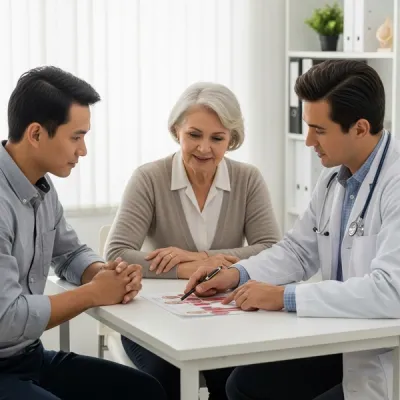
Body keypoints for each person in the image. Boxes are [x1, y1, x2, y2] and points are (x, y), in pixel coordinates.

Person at [185, 59, 400, 400]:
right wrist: (236, 273)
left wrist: (285, 297)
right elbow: (299, 251)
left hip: (386, 354)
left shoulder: (395, 182)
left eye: (320, 130)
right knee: (245, 385)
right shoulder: (334, 175)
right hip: (345, 333)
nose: (308, 141)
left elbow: (391, 292)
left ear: (360, 128)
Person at [105, 82, 281, 400]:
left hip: (226, 317)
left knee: (240, 380)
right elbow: (117, 253)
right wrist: (191, 268)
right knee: (165, 378)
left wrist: (203, 258)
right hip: (154, 318)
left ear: (232, 139)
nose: (204, 148)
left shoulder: (248, 179)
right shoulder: (149, 178)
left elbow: (270, 248)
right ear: (177, 131)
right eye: (194, 135)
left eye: (217, 138)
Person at [0, 66, 167, 400]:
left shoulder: (40, 187)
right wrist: (93, 293)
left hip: (30, 359)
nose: (83, 150)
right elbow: (6, 319)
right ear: (35, 134)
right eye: (76, 137)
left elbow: (70, 253)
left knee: (146, 392)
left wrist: (103, 273)